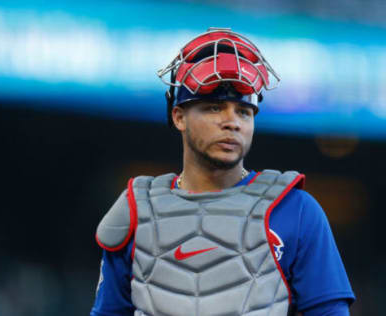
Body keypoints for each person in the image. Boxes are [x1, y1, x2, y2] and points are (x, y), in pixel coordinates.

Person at [90, 28, 355, 316]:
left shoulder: (295, 210)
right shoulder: (136, 209)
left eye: (243, 111)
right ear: (179, 116)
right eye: (215, 108)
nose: (232, 122)